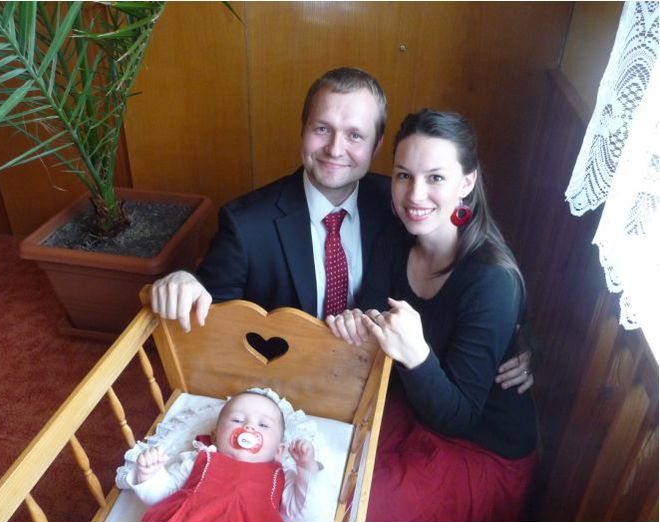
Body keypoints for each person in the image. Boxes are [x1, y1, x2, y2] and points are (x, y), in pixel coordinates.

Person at [150, 66, 533, 393]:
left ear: (377, 144)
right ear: (303, 129)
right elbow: (211, 317)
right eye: (322, 128)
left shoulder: (403, 203)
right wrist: (186, 279)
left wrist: (515, 339)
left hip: (384, 388)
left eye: (354, 135)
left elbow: (475, 265)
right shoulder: (246, 223)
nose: (335, 148)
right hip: (284, 388)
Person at [327, 109, 538, 522]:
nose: (415, 195)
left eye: (436, 178)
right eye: (404, 175)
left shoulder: (491, 280)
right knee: (323, 467)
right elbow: (371, 315)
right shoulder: (395, 234)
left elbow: (459, 416)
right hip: (409, 404)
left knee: (363, 510)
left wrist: (416, 354)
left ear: (467, 182)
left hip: (477, 444)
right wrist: (355, 324)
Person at [123, 390, 325, 522]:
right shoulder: (200, 459)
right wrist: (150, 474)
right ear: (215, 436)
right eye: (237, 420)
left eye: (263, 425)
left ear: (278, 450)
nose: (249, 427)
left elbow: (304, 512)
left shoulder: (281, 476)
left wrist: (306, 468)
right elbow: (164, 497)